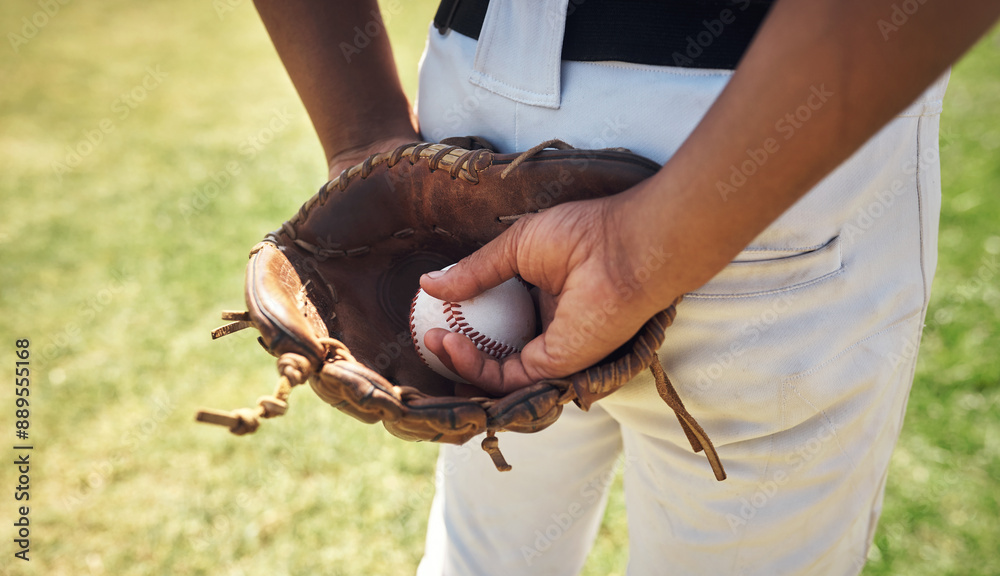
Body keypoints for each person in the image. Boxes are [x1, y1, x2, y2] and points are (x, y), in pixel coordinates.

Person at [251, 0, 1000, 574]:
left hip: (473, 118)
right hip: (743, 146)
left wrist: (361, 126)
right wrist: (640, 260)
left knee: (484, 559)